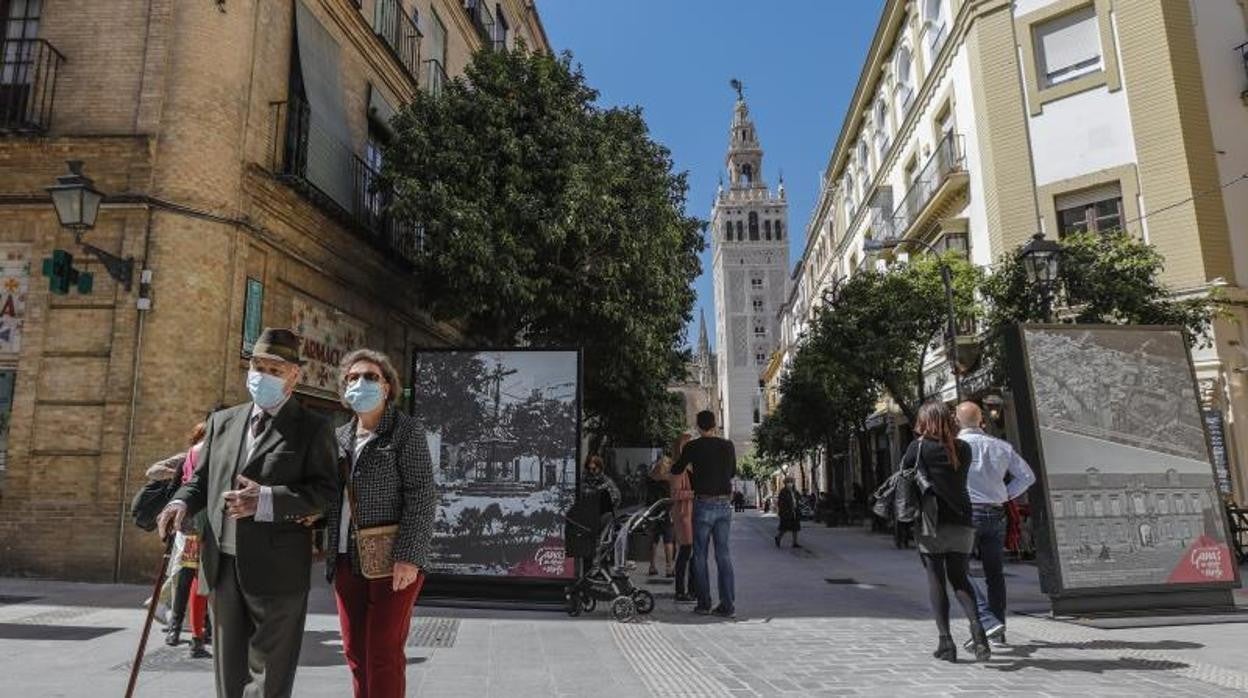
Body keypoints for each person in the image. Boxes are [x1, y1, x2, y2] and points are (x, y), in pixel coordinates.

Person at [156, 328, 338, 698]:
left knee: (269, 679)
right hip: (222, 564)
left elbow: (325, 493)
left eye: (275, 368)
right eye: (258, 365)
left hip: (278, 570)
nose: (263, 375)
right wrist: (180, 502)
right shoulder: (223, 422)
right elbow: (203, 478)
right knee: (228, 674)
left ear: (293, 375)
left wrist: (267, 499)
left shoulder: (313, 428)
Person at [322, 349, 437, 698]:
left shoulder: (405, 432)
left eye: (371, 377)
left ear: (387, 387)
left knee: (383, 653)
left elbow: (422, 495)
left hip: (394, 562)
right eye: (353, 378)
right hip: (345, 557)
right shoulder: (339, 437)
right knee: (355, 651)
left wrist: (410, 556)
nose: (361, 383)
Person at [901, 400, 989, 663]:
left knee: (936, 580)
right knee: (961, 580)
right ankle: (979, 633)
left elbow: (905, 478)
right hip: (963, 520)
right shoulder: (963, 448)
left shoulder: (917, 448)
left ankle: (946, 643)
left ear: (924, 421)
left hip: (931, 523)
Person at [956, 401, 1035, 648]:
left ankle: (987, 621)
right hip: (996, 513)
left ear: (957, 421)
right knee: (995, 574)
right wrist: (1005, 494)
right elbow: (1027, 476)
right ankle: (998, 629)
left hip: (968, 514)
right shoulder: (1001, 446)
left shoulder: (955, 447)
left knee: (959, 570)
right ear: (981, 420)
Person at [670, 410, 736, 618]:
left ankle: (704, 603)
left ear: (698, 426)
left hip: (703, 504)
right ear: (715, 425)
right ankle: (727, 604)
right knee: (723, 555)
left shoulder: (692, 447)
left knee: (699, 555)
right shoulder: (727, 445)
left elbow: (676, 469)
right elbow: (732, 472)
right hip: (725, 505)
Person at [163, 421, 211, 658]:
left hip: (189, 526)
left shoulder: (188, 456)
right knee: (200, 580)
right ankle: (195, 633)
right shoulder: (211, 452)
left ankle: (176, 629)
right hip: (205, 526)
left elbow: (175, 490)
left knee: (186, 578)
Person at [665, 433, 696, 602]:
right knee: (686, 551)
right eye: (686, 445)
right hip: (684, 514)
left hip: (692, 513)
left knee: (691, 553)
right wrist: (694, 493)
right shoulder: (678, 468)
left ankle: (691, 590)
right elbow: (675, 494)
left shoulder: (690, 467)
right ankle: (680, 590)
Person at [646, 457, 675, 576]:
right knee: (668, 540)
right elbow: (672, 497)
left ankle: (652, 566)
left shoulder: (651, 479)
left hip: (653, 511)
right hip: (666, 512)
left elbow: (647, 497)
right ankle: (669, 568)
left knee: (654, 540)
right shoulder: (669, 480)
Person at [775, 477, 801, 548]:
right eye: (789, 482)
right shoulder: (783, 492)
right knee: (784, 528)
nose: (790, 483)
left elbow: (799, 498)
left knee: (795, 527)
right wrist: (783, 511)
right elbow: (780, 503)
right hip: (786, 512)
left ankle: (795, 542)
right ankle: (778, 538)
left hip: (795, 511)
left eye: (792, 482)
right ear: (785, 483)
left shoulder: (795, 491)